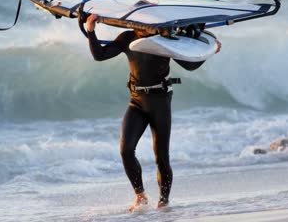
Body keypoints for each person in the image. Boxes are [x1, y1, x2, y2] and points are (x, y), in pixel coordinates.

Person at [85, 14, 221, 211]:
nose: (148, 26)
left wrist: (210, 51)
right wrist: (91, 30)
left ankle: (164, 201)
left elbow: (189, 65)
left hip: (160, 100)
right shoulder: (128, 37)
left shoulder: (164, 40)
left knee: (161, 156)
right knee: (126, 150)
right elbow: (100, 55)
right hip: (136, 101)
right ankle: (140, 195)